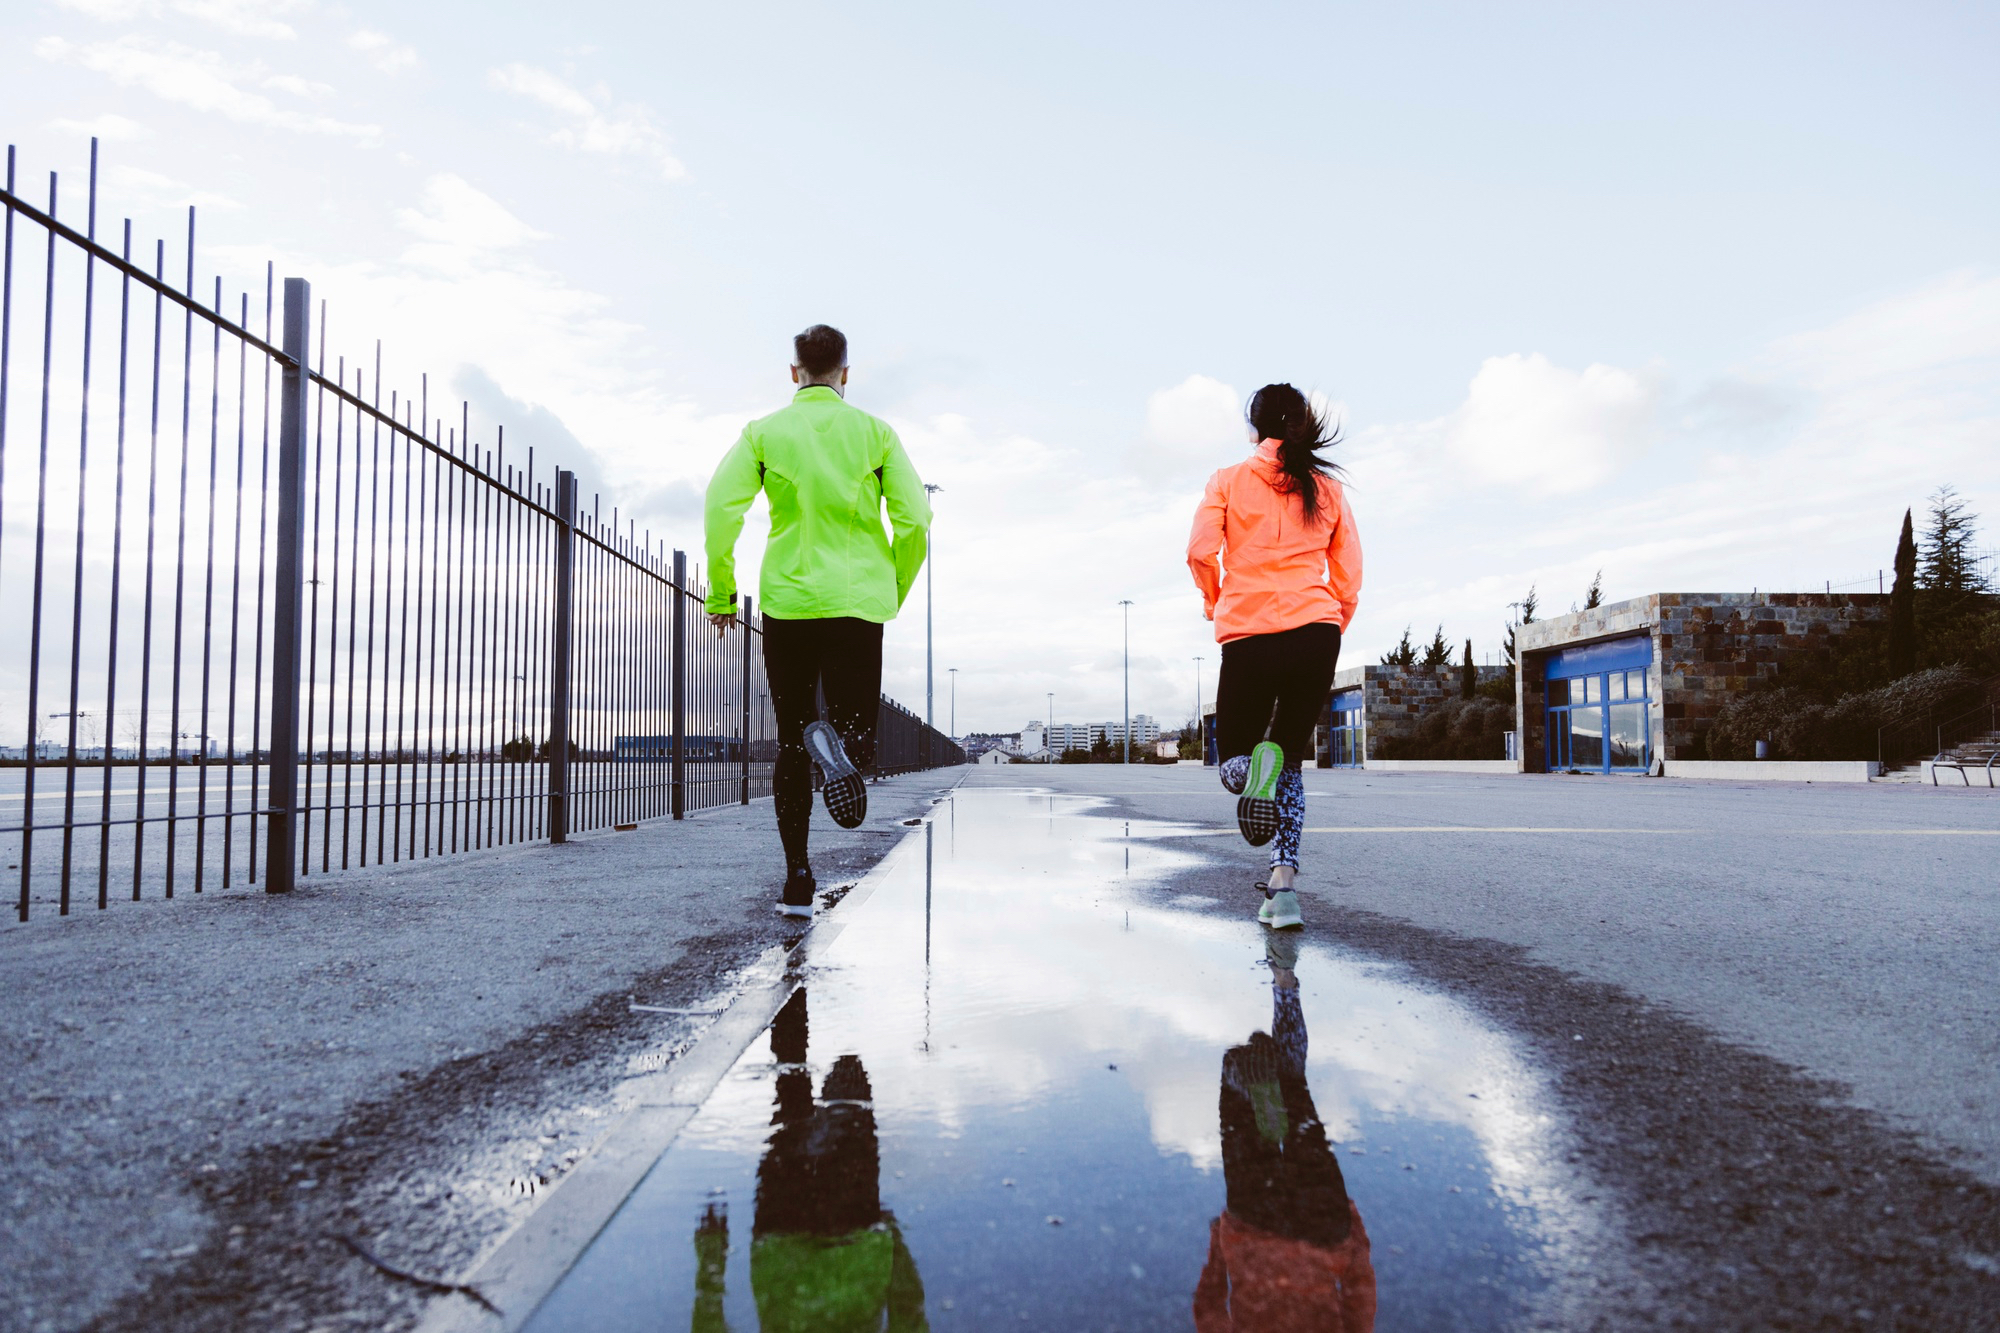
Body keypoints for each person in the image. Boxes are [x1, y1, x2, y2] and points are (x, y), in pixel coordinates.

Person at [704, 325, 931, 917]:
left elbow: (719, 507)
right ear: (846, 374)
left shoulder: (763, 432)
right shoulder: (876, 433)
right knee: (857, 729)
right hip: (857, 600)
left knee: (791, 742)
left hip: (788, 602)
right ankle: (847, 748)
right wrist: (892, 589)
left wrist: (722, 594)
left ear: (794, 372)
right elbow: (915, 520)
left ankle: (798, 880)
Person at [1185, 384, 1361, 929]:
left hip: (1250, 633)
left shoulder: (1227, 481)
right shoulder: (1327, 488)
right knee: (1288, 760)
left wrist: (1218, 602)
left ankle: (1247, 777)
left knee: (1236, 758)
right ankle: (1283, 890)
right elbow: (1349, 570)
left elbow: (1199, 551)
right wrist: (1333, 620)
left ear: (1254, 429)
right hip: (1316, 631)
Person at [690, 989, 929, 1333]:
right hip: (783, 1245)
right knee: (791, 1097)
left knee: (838, 1090)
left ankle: (793, 973)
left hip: (854, 1236)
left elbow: (910, 1312)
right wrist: (710, 1259)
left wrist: (893, 1239)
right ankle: (792, 977)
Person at [1192, 933, 1376, 1332]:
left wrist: (1351, 1231)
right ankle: (1247, 1084)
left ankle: (1285, 992)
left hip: (1323, 1232)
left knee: (1295, 1089)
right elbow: (1208, 1312)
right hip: (1252, 1235)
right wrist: (1219, 1247)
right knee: (1239, 1104)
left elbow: (1359, 1298)